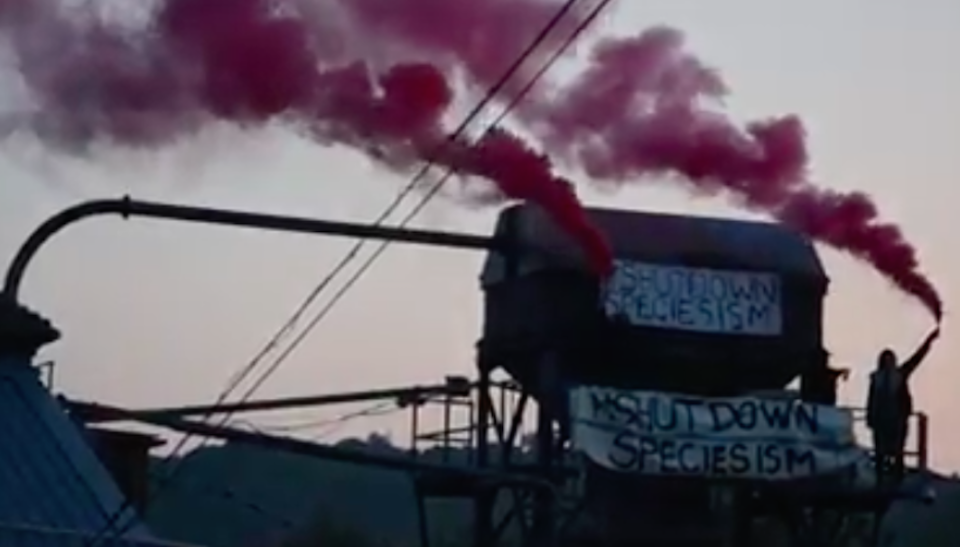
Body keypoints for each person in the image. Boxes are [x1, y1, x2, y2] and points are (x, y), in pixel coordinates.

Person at [866, 327, 939, 484]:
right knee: (881, 452)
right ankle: (881, 481)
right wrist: (870, 417)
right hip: (881, 420)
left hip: (897, 419)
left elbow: (916, 358)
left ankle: (896, 480)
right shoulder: (876, 379)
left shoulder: (900, 375)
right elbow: (871, 400)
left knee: (897, 451)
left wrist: (929, 341)